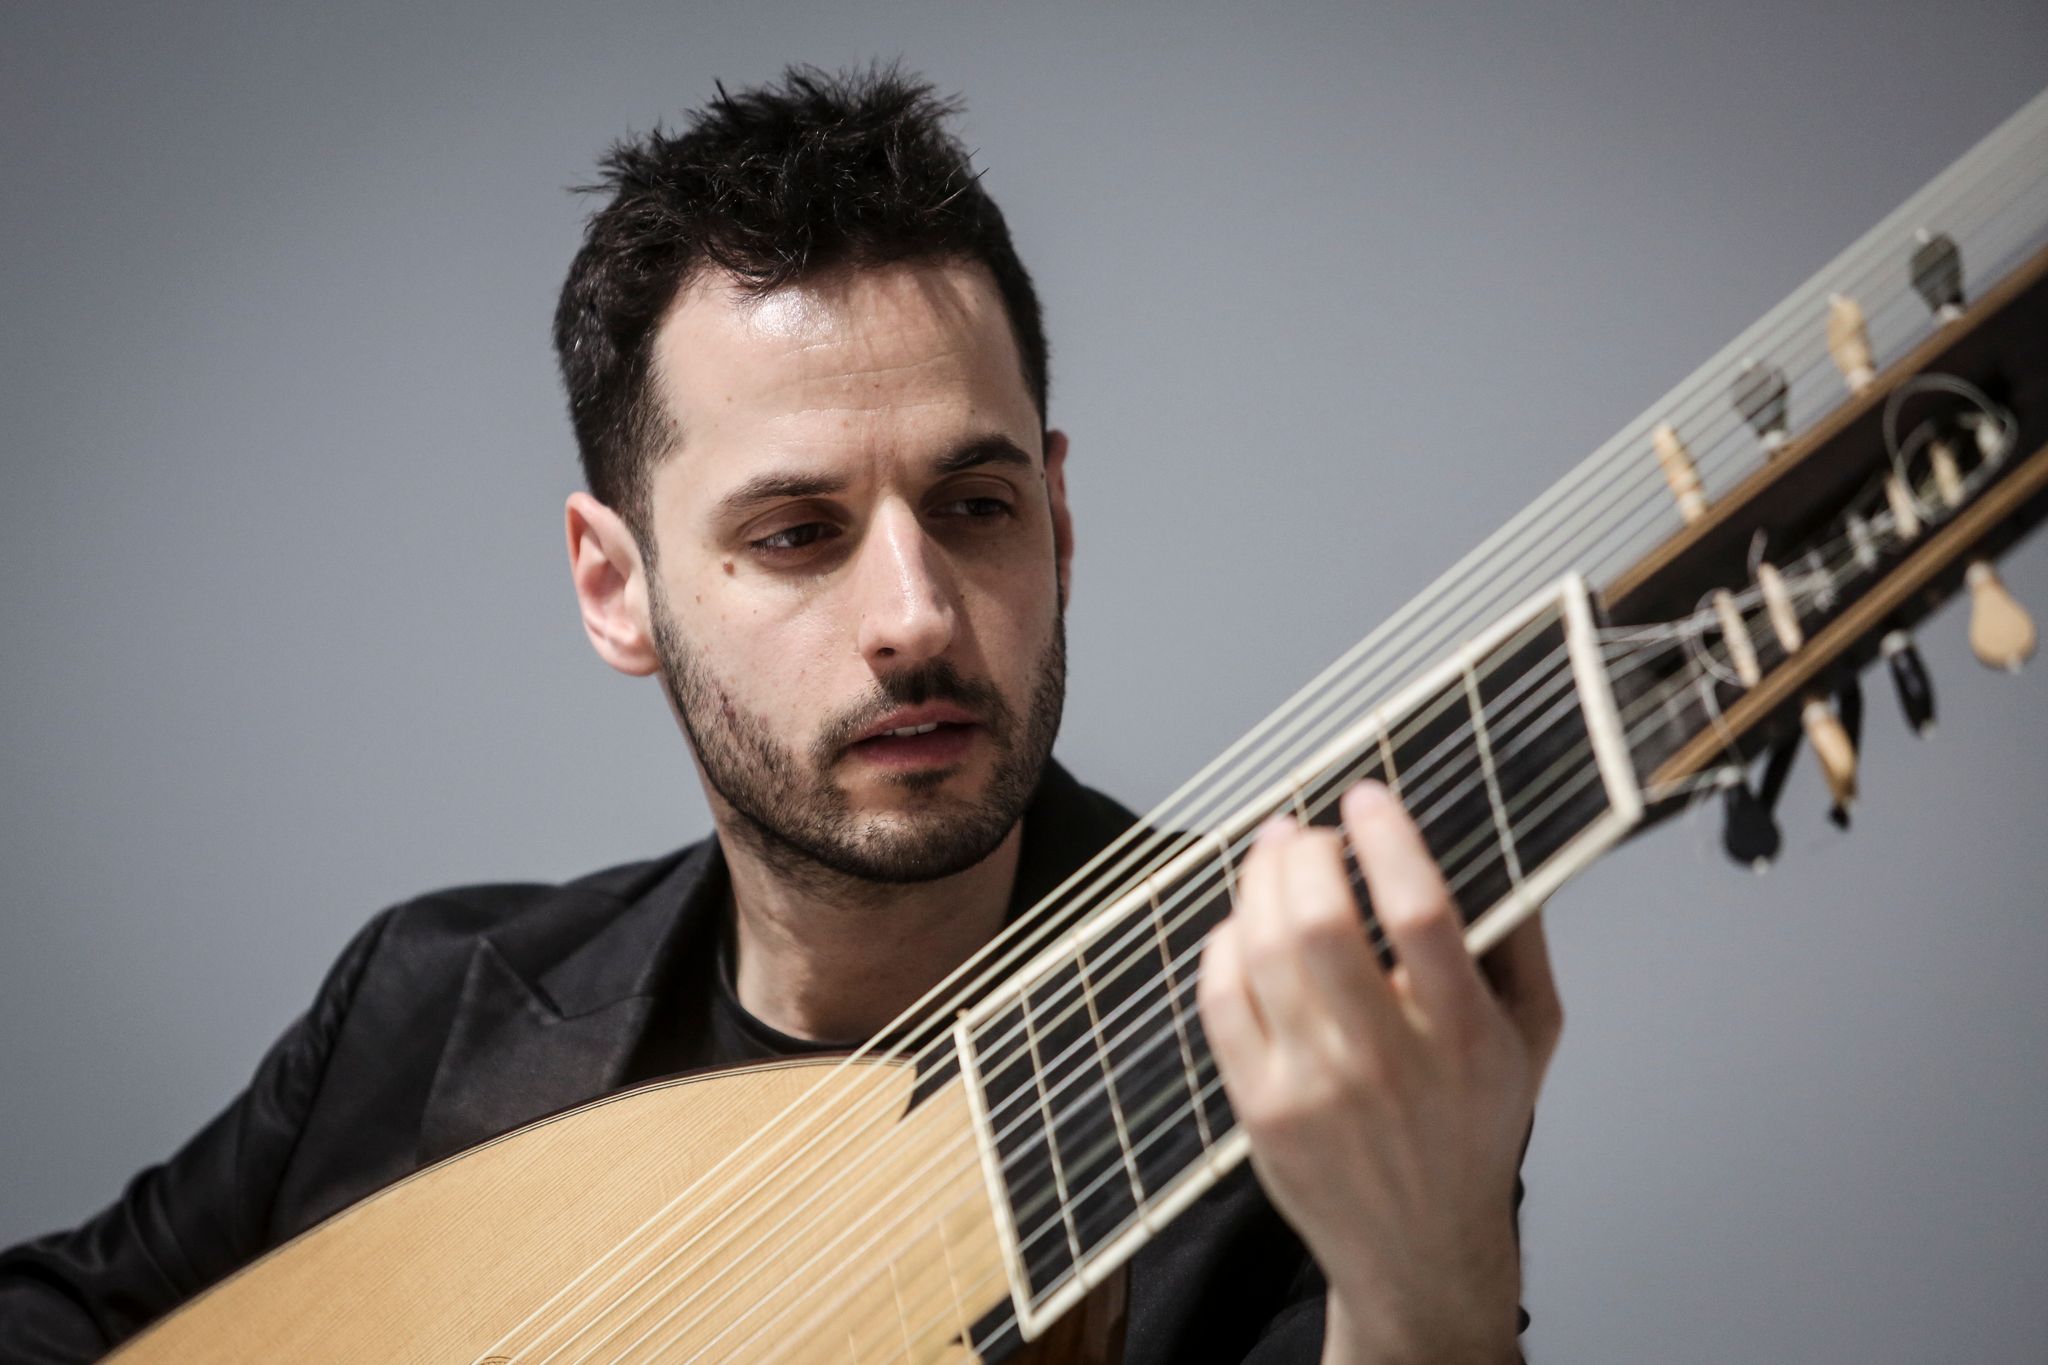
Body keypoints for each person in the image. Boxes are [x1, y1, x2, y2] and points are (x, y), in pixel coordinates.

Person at [0, 66, 1561, 1364]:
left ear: (1060, 521)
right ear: (617, 586)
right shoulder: (422, 1003)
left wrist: (1430, 1293)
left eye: (976, 504)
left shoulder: (1306, 1043)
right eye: (800, 532)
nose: (917, 613)